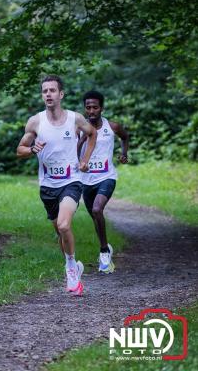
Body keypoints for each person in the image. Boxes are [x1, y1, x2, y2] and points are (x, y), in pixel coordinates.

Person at [17, 75, 97, 296]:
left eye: (52, 90)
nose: (48, 94)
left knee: (64, 225)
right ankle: (73, 263)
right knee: (60, 232)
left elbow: (92, 134)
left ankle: (71, 267)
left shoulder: (75, 118)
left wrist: (85, 160)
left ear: (61, 94)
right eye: (45, 91)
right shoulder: (35, 121)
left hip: (71, 182)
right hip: (47, 186)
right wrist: (32, 148)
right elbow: (20, 150)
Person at [78, 90, 129, 274]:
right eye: (88, 107)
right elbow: (73, 154)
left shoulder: (112, 126)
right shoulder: (79, 129)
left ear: (102, 108)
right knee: (95, 217)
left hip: (107, 177)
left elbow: (125, 137)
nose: (91, 111)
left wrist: (124, 154)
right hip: (86, 181)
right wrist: (81, 141)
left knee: (97, 209)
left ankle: (104, 251)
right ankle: (105, 244)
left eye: (95, 107)